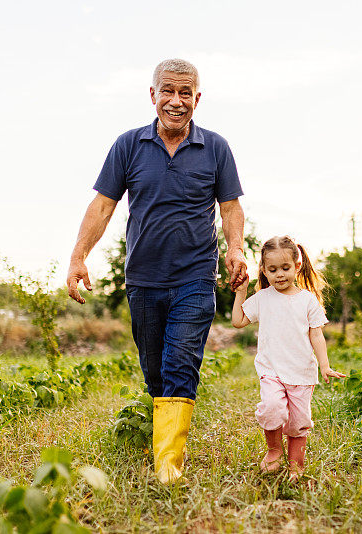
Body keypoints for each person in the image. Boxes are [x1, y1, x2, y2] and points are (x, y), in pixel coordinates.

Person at [66, 59, 248, 484]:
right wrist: (78, 256)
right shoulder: (128, 145)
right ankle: (164, 435)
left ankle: (168, 469)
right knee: (155, 370)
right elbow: (103, 205)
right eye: (168, 91)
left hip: (196, 277)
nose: (176, 101)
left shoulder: (216, 148)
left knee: (180, 363)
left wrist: (235, 250)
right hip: (144, 280)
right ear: (153, 95)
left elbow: (231, 207)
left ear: (197, 99)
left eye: (186, 93)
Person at [231, 236, 346, 481]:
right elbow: (238, 321)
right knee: (272, 409)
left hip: (302, 373)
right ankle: (273, 451)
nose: (279, 274)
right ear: (264, 270)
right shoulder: (263, 298)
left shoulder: (307, 300)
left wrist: (324, 365)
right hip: (271, 369)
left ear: (297, 266)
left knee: (298, 423)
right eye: (272, 270)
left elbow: (316, 335)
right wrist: (241, 293)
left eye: (285, 268)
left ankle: (296, 465)